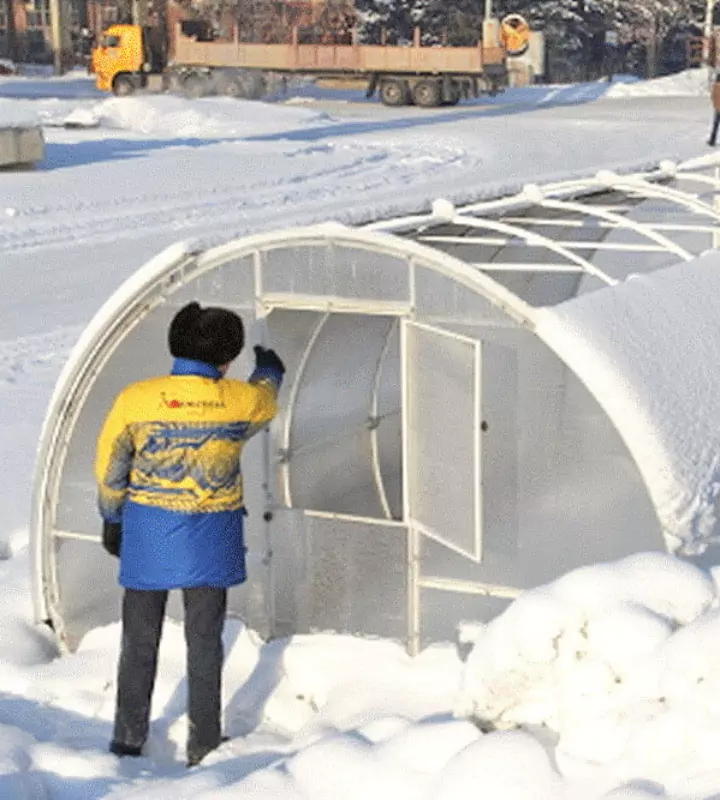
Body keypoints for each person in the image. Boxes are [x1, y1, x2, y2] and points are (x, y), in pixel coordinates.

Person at [95, 301, 285, 767]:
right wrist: (269, 370)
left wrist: (112, 518)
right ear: (227, 357)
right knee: (205, 641)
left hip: (148, 535)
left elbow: (110, 466)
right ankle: (204, 742)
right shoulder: (240, 401)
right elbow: (266, 400)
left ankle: (128, 737)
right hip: (211, 539)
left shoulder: (136, 398)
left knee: (138, 641)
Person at [709, 73, 720, 147]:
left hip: (717, 109)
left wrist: (715, 105)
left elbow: (712, 97)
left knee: (715, 125)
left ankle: (712, 140)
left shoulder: (715, 87)